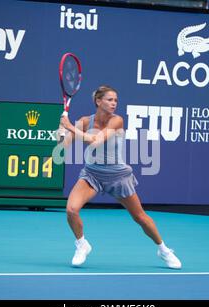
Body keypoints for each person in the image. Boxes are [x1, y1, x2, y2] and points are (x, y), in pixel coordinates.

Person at [59, 85, 182, 269]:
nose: (114, 103)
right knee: (71, 210)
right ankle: (81, 244)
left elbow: (97, 140)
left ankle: (163, 250)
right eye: (110, 100)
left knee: (140, 217)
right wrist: (62, 133)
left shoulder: (117, 121)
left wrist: (70, 127)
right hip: (92, 174)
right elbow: (64, 146)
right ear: (98, 101)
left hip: (117, 175)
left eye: (116, 100)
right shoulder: (85, 121)